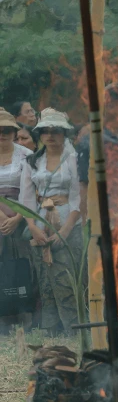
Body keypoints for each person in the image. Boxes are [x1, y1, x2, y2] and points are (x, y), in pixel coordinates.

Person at [19, 109, 83, 336]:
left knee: (66, 278)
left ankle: (74, 330)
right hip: (40, 219)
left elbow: (78, 198)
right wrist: (33, 226)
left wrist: (65, 231)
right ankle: (51, 330)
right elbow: (26, 198)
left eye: (55, 131)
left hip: (68, 220)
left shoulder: (74, 160)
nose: (50, 136)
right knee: (45, 278)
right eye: (45, 131)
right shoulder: (32, 161)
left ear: (64, 133)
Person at [0, 111, 34, 331]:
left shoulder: (26, 156)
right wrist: (3, 217)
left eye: (6, 131)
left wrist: (17, 217)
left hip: (23, 212)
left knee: (25, 265)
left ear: (14, 132)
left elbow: (30, 190)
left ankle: (27, 315)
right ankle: (3, 318)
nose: (2, 134)